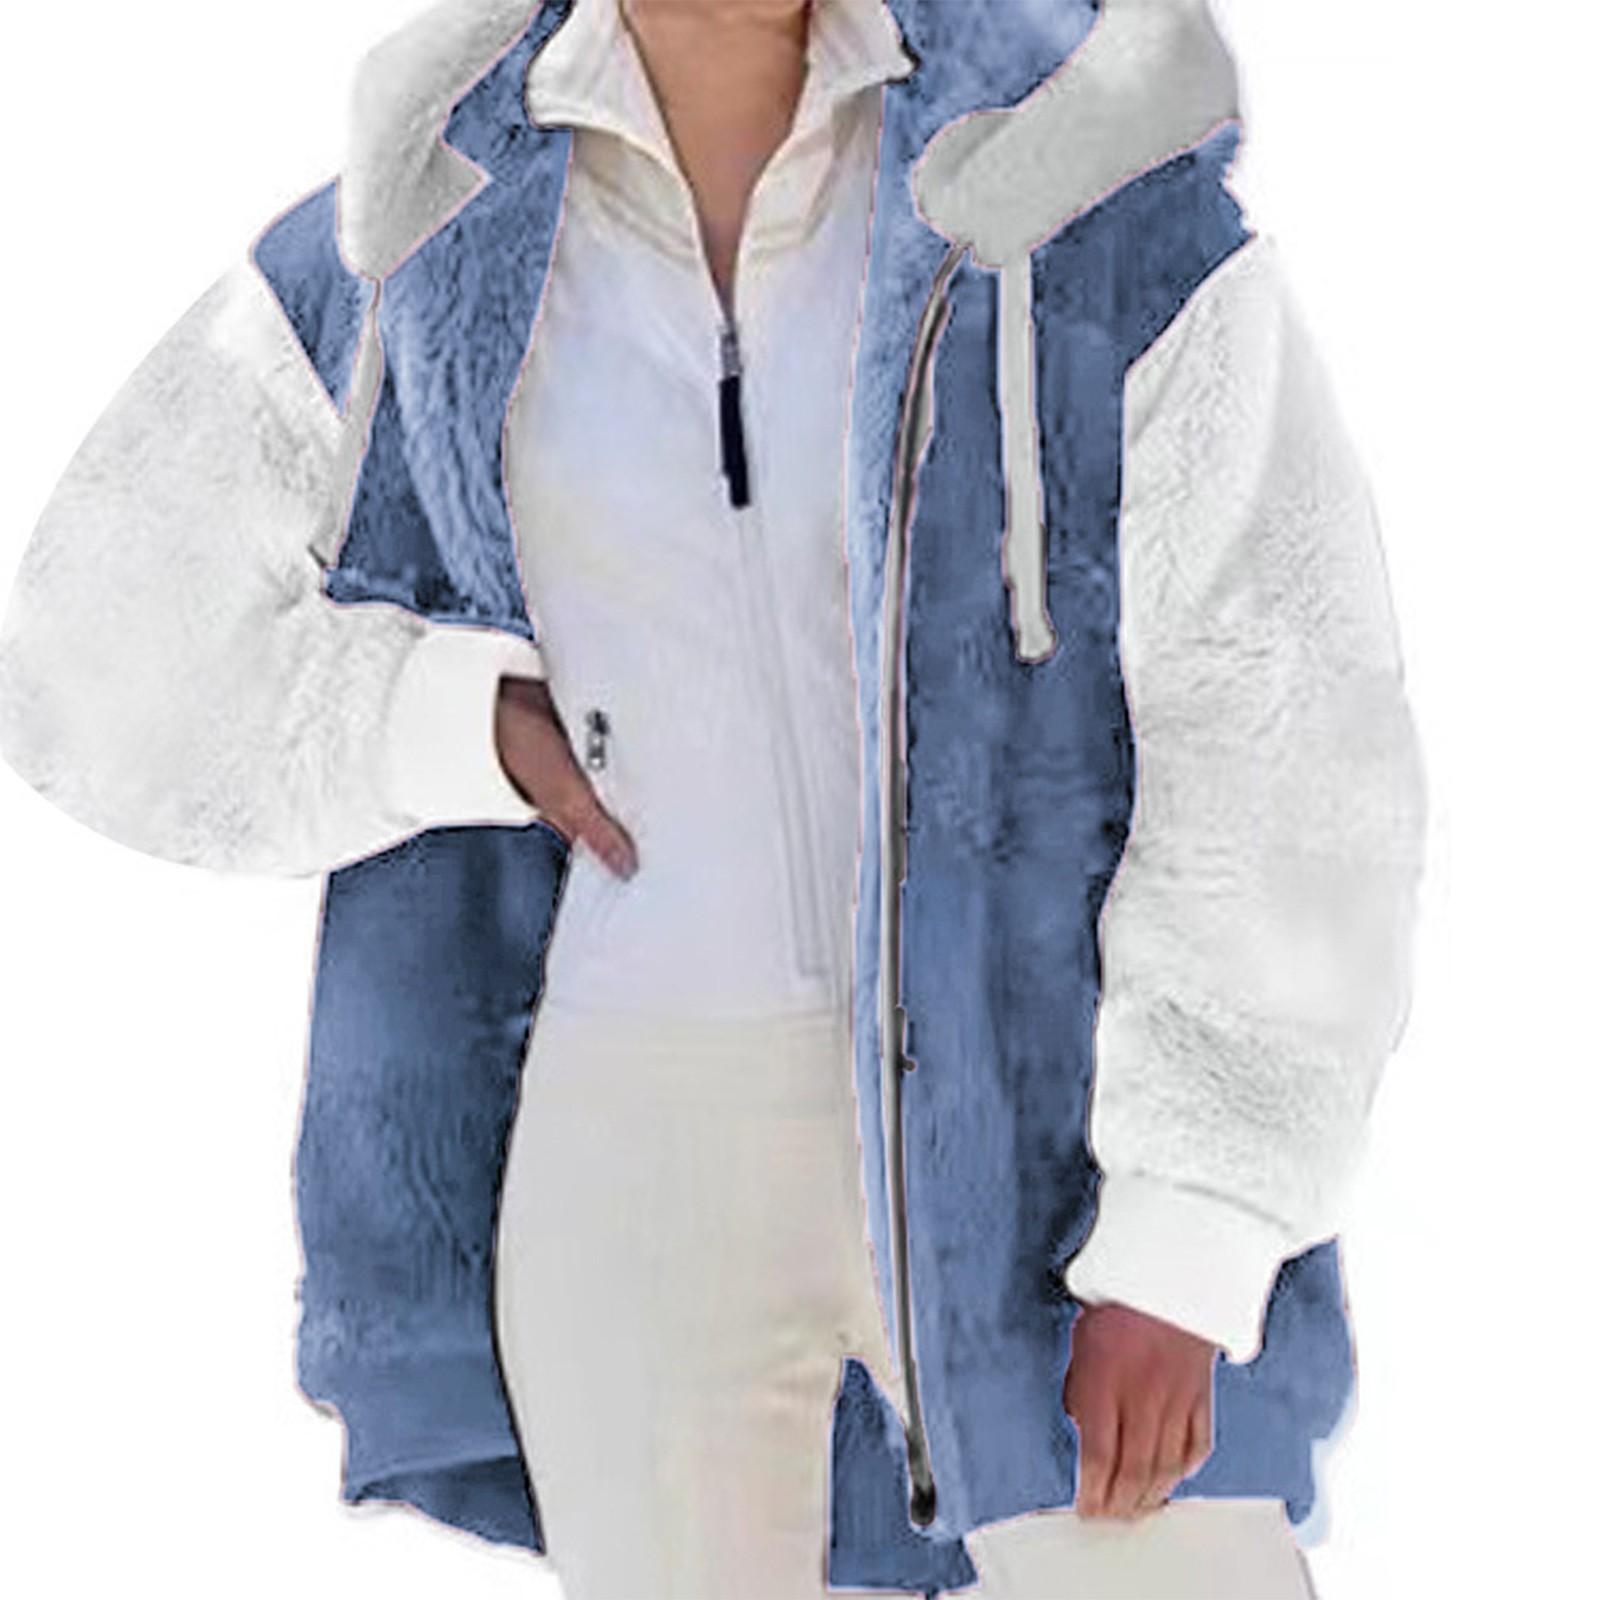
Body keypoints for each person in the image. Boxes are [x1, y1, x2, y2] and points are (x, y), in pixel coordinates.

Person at [0, 2, 1427, 1597]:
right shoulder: (424, 222)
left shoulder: (1079, 176)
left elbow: (1284, 708)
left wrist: (1192, 1232)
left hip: (1039, 1146)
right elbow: (89, 654)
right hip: (637, 1139)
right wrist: (443, 721)